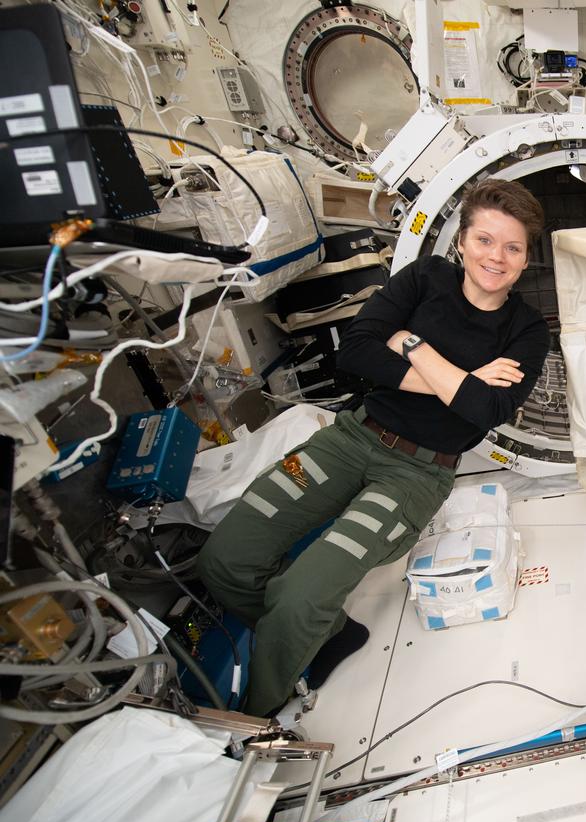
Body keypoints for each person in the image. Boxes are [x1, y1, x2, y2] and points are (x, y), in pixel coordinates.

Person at [197, 179, 550, 717]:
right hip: (351, 437)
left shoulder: (526, 331)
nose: (495, 258)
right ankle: (330, 635)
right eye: (484, 240)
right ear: (461, 242)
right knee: (225, 560)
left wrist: (412, 344)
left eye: (512, 247)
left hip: (416, 475)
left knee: (299, 597)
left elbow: (484, 413)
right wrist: (463, 379)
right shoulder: (424, 278)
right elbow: (356, 353)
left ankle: (250, 720)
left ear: (526, 259)